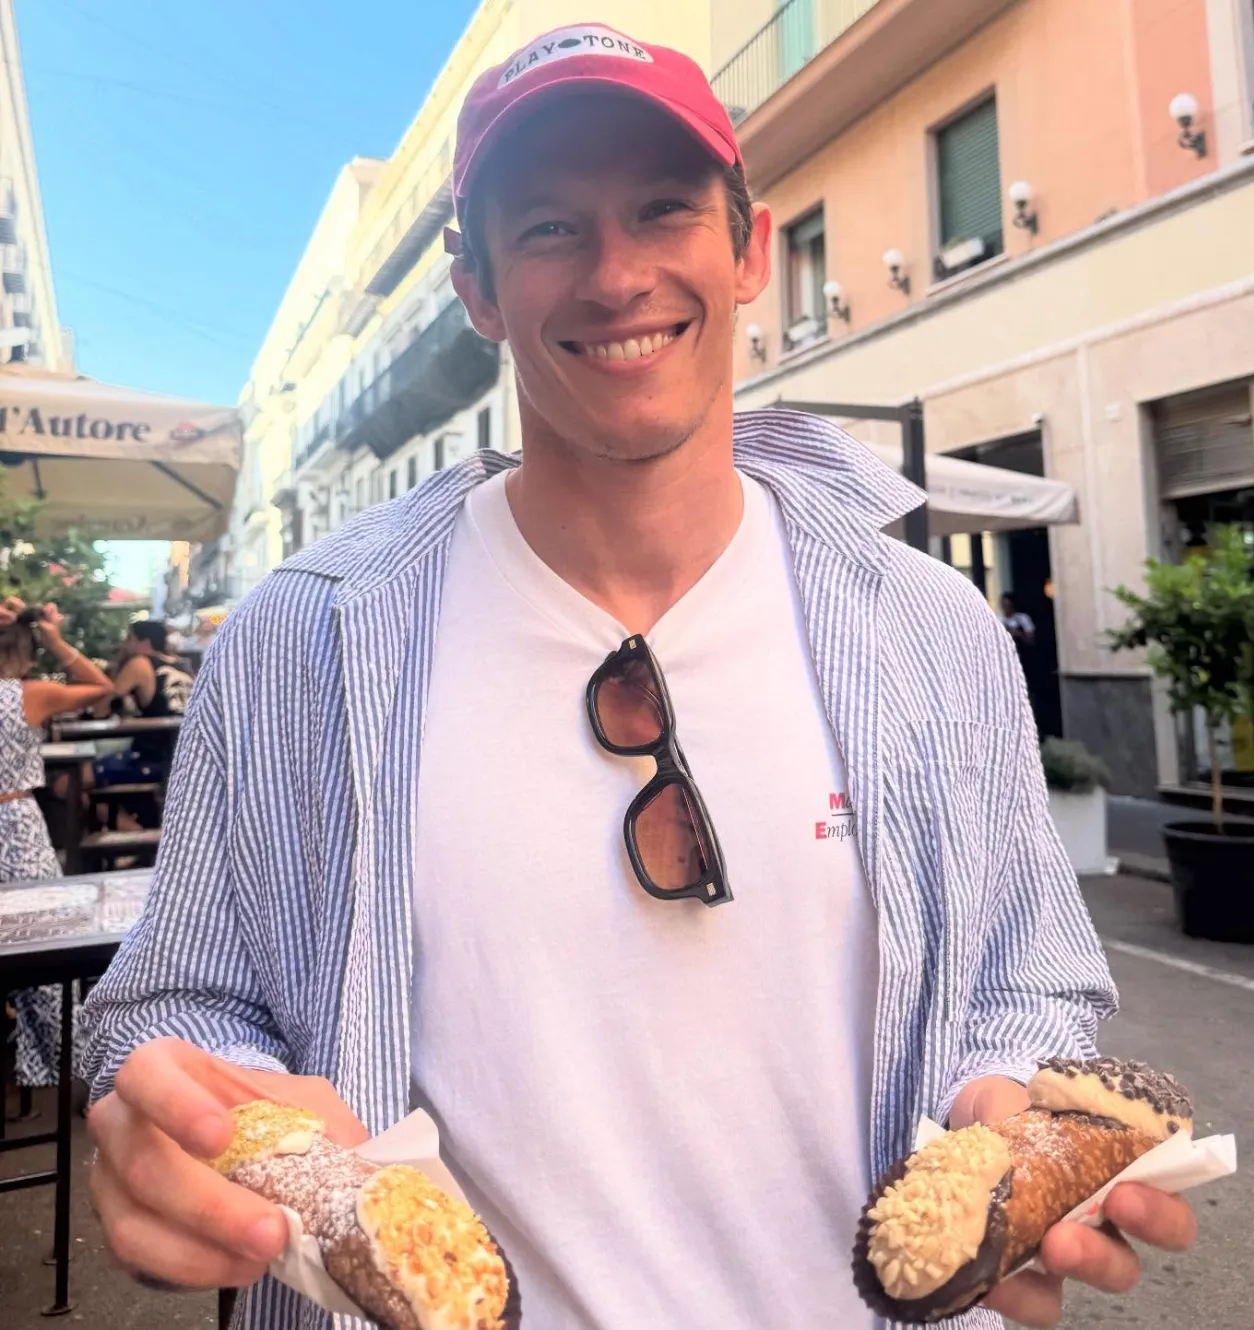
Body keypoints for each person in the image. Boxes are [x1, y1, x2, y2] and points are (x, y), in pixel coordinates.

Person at [79, 25, 1197, 1330]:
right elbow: (178, 992)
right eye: (549, 227)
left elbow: (1033, 974)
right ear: (478, 287)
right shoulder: (301, 640)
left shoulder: (929, 627)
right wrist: (192, 1128)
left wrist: (1006, 1096)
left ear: (748, 253)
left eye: (662, 208)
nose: (616, 275)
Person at [0, 597, 114, 1086]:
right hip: (16, 822)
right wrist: (57, 640)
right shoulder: (28, 695)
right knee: (46, 946)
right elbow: (100, 686)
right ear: (26, 652)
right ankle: (69, 1068)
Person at [92, 620, 193, 787]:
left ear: (144, 643)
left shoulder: (140, 663)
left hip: (153, 756)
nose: (124, 645)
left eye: (129, 639)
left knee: (69, 780)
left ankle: (119, 813)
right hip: (187, 759)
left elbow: (103, 708)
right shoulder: (183, 665)